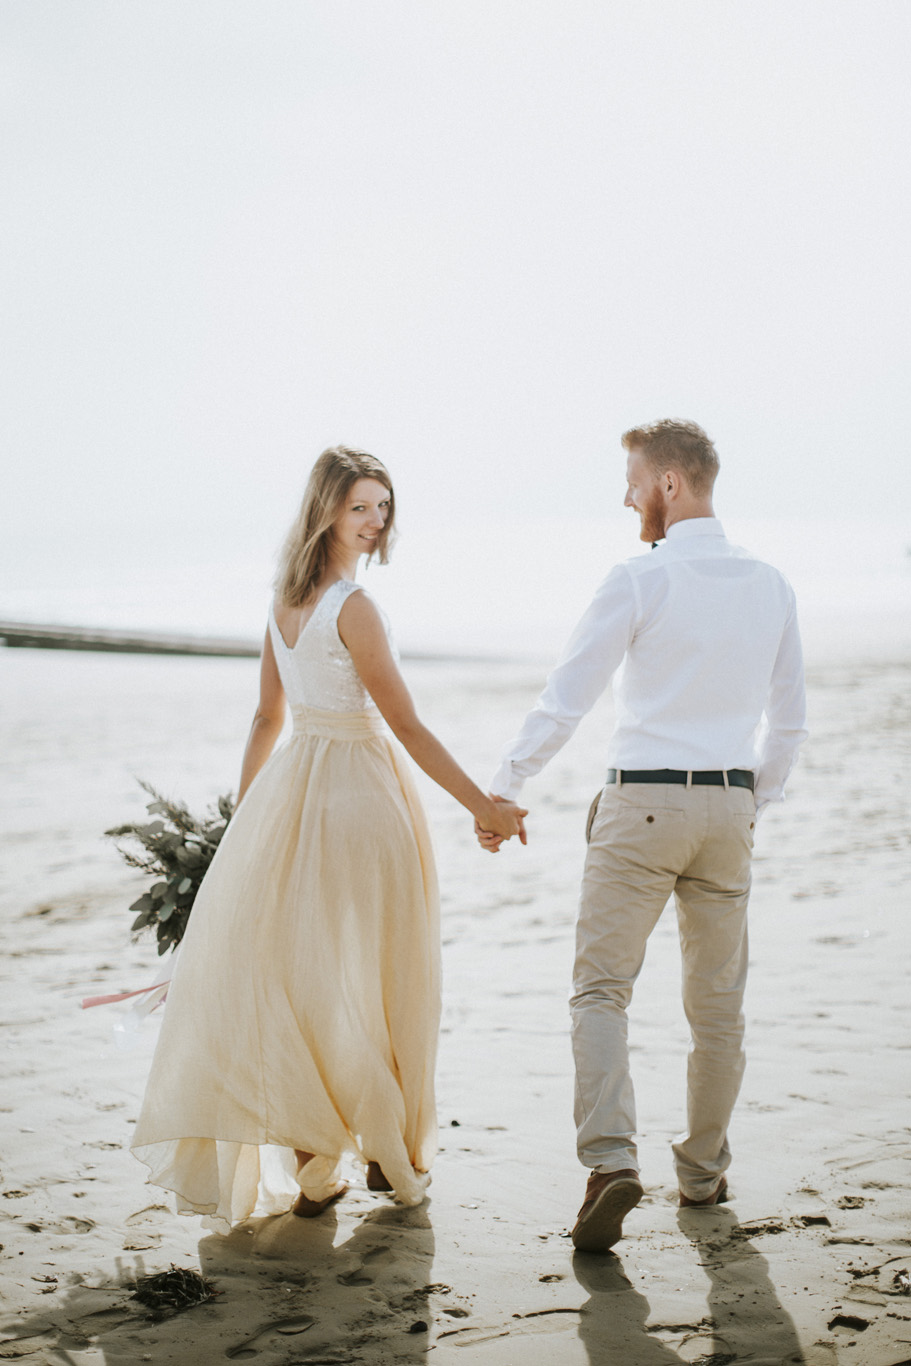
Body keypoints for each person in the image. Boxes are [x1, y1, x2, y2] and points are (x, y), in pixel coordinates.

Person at [132, 445, 526, 1231]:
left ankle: (319, 1164)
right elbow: (404, 724)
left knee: (311, 976)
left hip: (294, 795)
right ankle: (379, 1147)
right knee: (376, 971)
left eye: (383, 506)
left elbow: (266, 721)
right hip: (360, 797)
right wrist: (483, 804)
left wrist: (245, 828)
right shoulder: (354, 606)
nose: (376, 522)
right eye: (360, 507)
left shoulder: (282, 603)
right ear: (326, 512)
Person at [478, 420, 807, 1253]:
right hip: (728, 810)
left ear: (668, 483)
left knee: (600, 992)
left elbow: (567, 697)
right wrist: (748, 804)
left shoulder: (637, 579)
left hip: (640, 809)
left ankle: (610, 1162)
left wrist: (504, 787)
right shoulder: (770, 584)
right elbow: (789, 725)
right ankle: (701, 1173)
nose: (626, 497)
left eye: (632, 480)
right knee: (718, 1009)